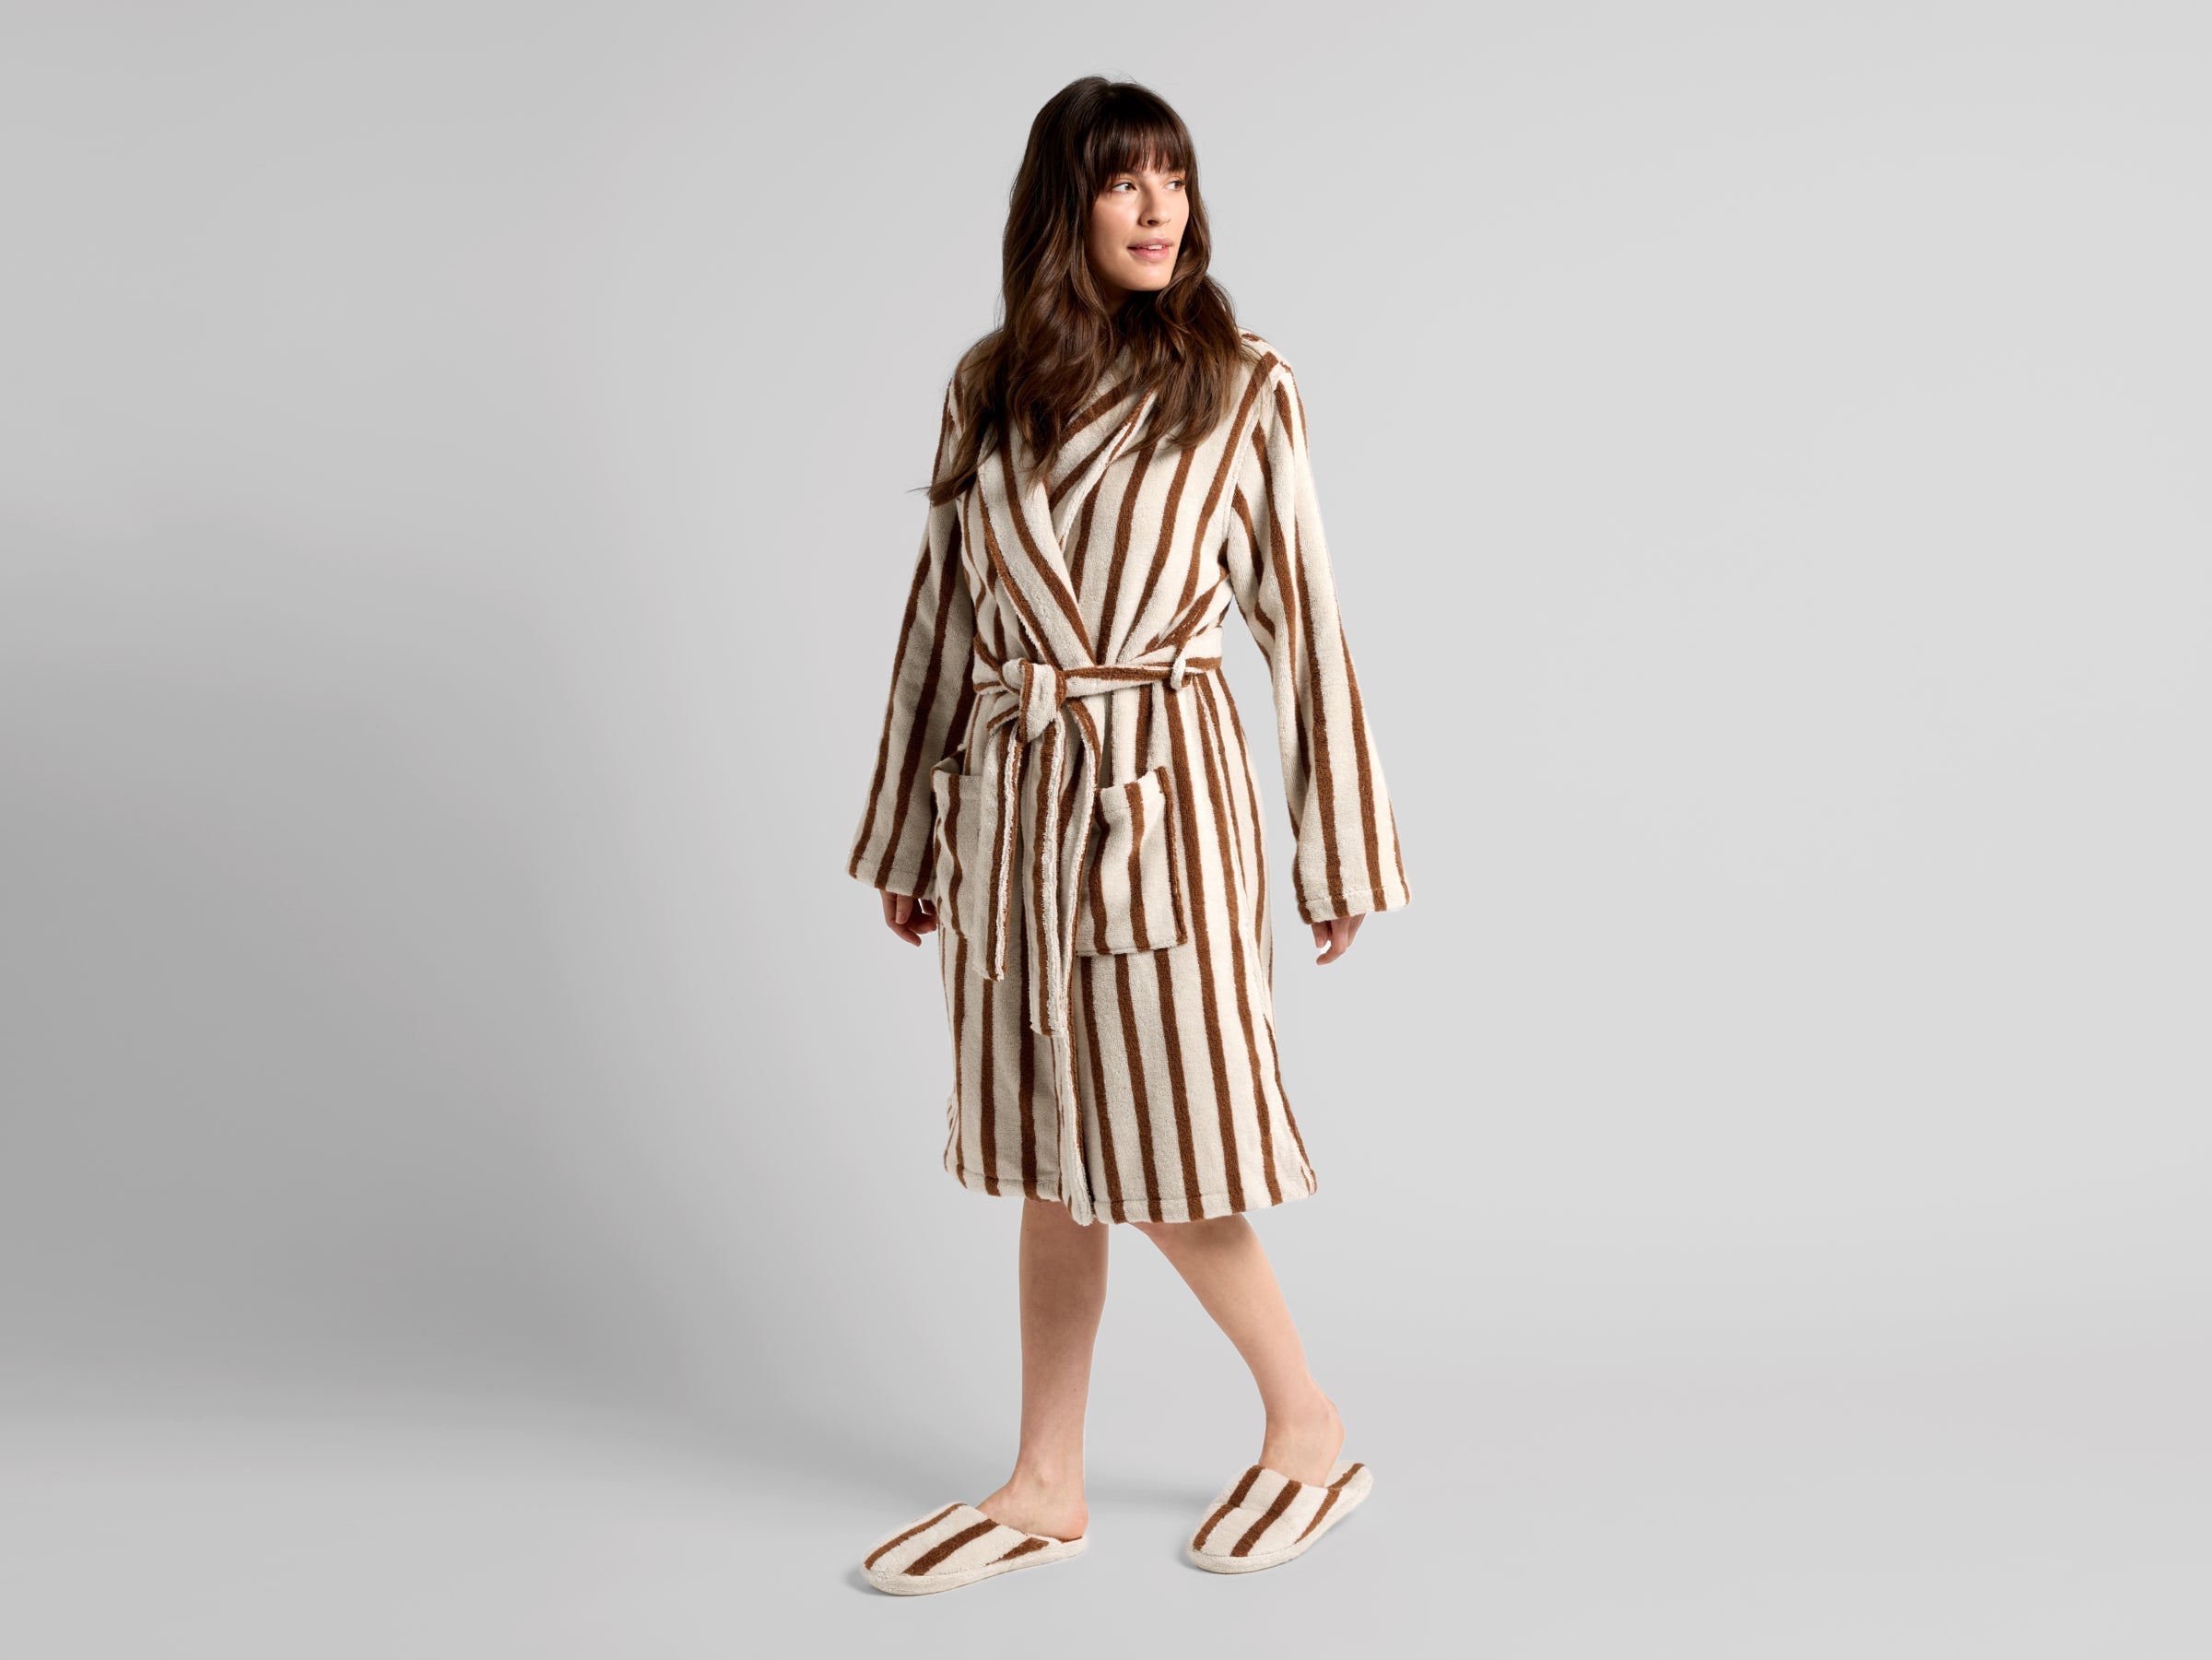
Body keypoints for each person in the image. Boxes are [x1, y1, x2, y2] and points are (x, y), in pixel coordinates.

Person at [845, 75, 1412, 1595]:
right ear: (1066, 206)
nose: (1160, 208)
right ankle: (1045, 1478)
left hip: (1157, 797)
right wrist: (909, 834)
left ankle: (1308, 1425)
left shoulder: (1239, 381)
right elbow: (943, 614)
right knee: (1053, 1146)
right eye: (1123, 182)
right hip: (1018, 804)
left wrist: (1338, 848)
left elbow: (1305, 621)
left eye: (1175, 176)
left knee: (1169, 1132)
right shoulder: (991, 387)